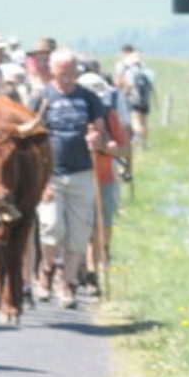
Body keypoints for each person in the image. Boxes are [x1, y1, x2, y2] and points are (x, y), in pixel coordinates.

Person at [33, 48, 115, 308]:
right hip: (51, 174)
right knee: (51, 228)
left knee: (79, 235)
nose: (67, 77)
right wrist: (40, 179)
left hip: (82, 173)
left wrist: (96, 140)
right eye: (62, 72)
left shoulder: (89, 98)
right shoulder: (42, 97)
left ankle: (66, 284)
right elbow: (31, 138)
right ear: (52, 71)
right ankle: (46, 269)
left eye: (71, 72)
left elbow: (101, 134)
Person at [77, 71, 133, 295]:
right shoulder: (72, 117)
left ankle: (93, 270)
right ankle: (86, 269)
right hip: (79, 178)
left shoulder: (109, 117)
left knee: (102, 226)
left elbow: (126, 149)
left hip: (104, 177)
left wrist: (106, 149)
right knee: (81, 228)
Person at [115, 44, 155, 148]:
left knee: (135, 120)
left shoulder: (123, 64)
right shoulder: (141, 64)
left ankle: (137, 141)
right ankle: (144, 144)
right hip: (145, 96)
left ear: (124, 52)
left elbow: (120, 81)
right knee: (144, 120)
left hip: (133, 95)